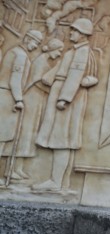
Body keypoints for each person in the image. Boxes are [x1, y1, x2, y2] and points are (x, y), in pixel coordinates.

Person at [33, 18, 98, 191]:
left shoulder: (81, 52)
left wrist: (65, 98)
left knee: (62, 139)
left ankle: (56, 181)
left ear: (83, 34)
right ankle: (61, 182)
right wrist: (48, 77)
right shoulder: (74, 51)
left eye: (74, 30)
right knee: (61, 138)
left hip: (67, 98)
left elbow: (75, 76)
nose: (71, 33)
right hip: (61, 91)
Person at [1, 39, 64, 181]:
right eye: (59, 50)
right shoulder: (40, 61)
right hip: (30, 99)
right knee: (24, 134)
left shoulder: (42, 60)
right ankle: (11, 169)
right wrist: (54, 91)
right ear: (52, 49)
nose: (59, 54)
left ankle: (18, 168)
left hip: (37, 102)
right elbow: (37, 82)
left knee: (29, 135)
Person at [0, 30, 43, 185]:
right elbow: (15, 80)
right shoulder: (20, 55)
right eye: (35, 43)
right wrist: (19, 99)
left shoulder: (14, 52)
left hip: (5, 95)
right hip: (7, 97)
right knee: (2, 138)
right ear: (27, 38)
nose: (35, 46)